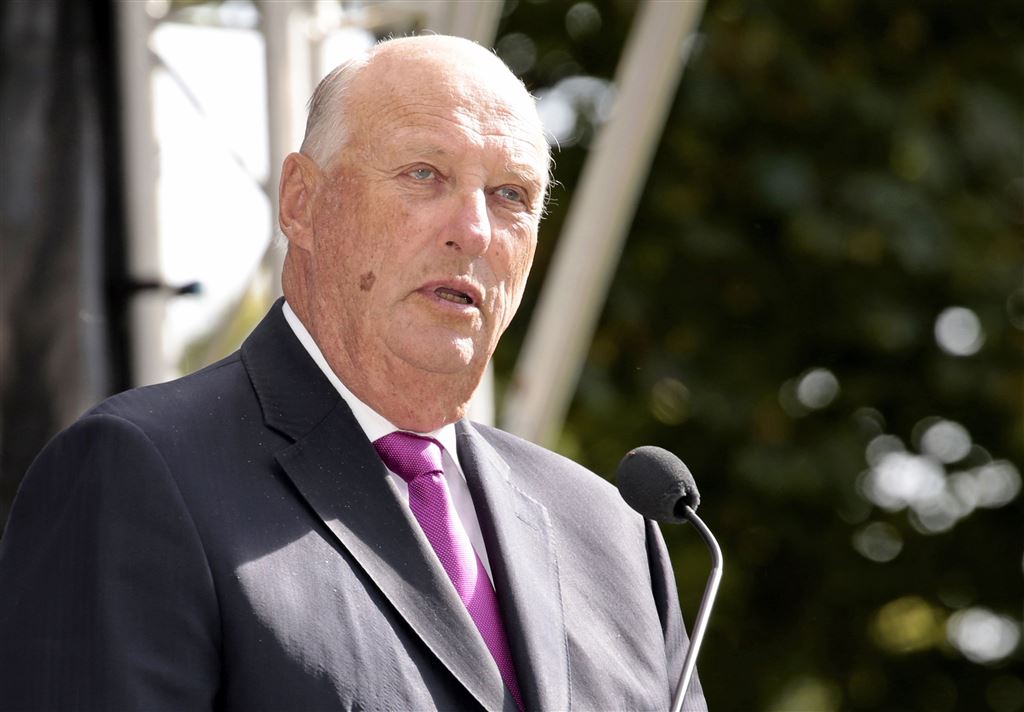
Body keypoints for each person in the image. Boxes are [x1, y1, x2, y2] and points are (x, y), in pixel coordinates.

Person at [0, 35, 707, 711]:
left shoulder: (615, 535)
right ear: (302, 203)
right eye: (424, 174)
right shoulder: (138, 473)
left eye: (511, 196)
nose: (474, 230)